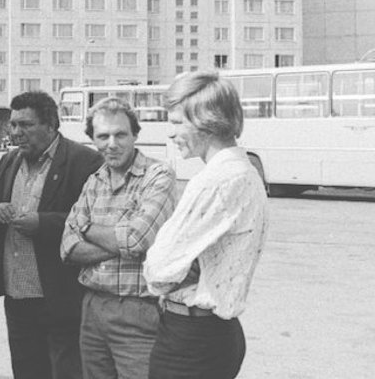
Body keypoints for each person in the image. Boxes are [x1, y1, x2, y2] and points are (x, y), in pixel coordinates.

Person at [143, 71, 270, 379]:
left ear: (206, 121)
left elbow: (158, 271)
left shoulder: (214, 181)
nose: (171, 134)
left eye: (176, 123)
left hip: (191, 339)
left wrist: (177, 267)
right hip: (212, 333)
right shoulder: (246, 170)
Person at [0, 90, 103, 379]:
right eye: (13, 124)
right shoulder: (10, 161)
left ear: (50, 125)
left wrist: (42, 224)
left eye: (26, 125)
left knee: (67, 371)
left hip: (61, 296)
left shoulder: (84, 162)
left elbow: (94, 220)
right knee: (26, 370)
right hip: (17, 295)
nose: (16, 132)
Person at [59, 98, 177, 379]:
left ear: (135, 135)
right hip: (92, 307)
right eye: (103, 136)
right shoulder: (94, 181)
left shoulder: (157, 176)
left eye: (120, 134)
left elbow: (136, 240)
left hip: (137, 310)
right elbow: (66, 248)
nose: (112, 143)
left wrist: (85, 227)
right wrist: (117, 240)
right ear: (93, 140)